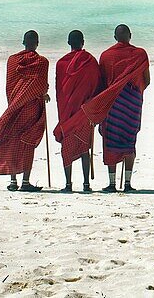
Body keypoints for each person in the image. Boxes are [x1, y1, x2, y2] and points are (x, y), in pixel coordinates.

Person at [0, 30, 50, 192]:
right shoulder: (42, 62)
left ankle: (13, 181)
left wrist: (15, 100)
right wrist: (44, 94)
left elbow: (10, 85)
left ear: (23, 42)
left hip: (14, 106)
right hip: (30, 108)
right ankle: (25, 181)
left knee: (12, 139)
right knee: (28, 141)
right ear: (37, 43)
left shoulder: (12, 61)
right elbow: (41, 86)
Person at [96, 25, 150, 192]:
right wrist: (132, 95)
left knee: (110, 140)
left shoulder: (106, 56)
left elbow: (102, 84)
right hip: (132, 103)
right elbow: (146, 81)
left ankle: (112, 184)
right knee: (129, 140)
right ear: (130, 36)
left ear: (114, 36)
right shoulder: (140, 54)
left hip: (112, 103)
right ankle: (127, 184)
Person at [53, 30, 103, 193]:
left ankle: (68, 184)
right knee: (84, 148)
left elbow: (59, 91)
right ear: (83, 41)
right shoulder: (90, 61)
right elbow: (97, 86)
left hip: (67, 112)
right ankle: (86, 184)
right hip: (84, 112)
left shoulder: (61, 63)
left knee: (67, 147)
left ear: (68, 42)